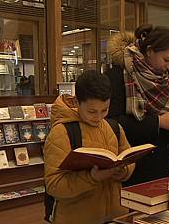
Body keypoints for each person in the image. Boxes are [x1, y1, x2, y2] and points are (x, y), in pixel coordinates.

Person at [44, 71, 135, 224]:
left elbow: (129, 159)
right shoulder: (62, 132)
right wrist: (92, 177)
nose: (98, 117)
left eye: (105, 110)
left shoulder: (114, 127)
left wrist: (123, 171)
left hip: (116, 215)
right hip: (75, 217)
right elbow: (54, 185)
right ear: (77, 102)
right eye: (92, 111)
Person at [105, 24, 169, 186]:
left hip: (168, 162)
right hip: (135, 164)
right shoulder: (119, 75)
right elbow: (111, 123)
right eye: (166, 60)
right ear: (150, 51)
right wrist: (158, 122)